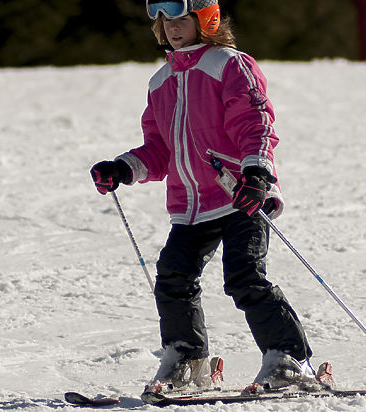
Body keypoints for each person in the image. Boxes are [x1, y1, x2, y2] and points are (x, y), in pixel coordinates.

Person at [90, 0, 322, 398]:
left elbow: (256, 122)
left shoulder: (229, 64)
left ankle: (289, 360)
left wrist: (257, 172)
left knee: (245, 276)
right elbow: (160, 149)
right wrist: (125, 168)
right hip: (190, 205)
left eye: (182, 19)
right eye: (166, 21)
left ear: (206, 20)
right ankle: (186, 360)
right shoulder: (161, 80)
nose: (174, 29)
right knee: (173, 279)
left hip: (239, 194)